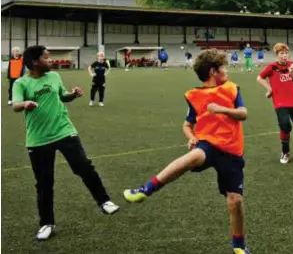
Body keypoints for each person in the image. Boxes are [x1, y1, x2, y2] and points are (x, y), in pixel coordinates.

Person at [123, 49, 251, 253]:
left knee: (235, 201)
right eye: (224, 67)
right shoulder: (194, 96)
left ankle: (239, 246)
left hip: (232, 151)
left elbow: (243, 113)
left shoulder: (232, 89)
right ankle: (146, 189)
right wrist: (192, 138)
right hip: (208, 144)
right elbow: (187, 124)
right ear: (213, 71)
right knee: (195, 155)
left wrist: (223, 110)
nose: (227, 70)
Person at [12, 45, 120, 241]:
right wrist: (25, 104)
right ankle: (47, 223)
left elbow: (62, 96)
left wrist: (73, 94)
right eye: (47, 58)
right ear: (35, 62)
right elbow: (16, 105)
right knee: (44, 183)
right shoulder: (21, 83)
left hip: (64, 131)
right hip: (38, 140)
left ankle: (104, 201)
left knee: (84, 167)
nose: (51, 61)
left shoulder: (54, 77)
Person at [257, 43, 293, 164]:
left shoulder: (292, 65)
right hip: (280, 102)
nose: (284, 56)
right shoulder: (271, 67)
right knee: (285, 126)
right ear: (277, 55)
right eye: (281, 53)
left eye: (286, 53)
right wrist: (270, 89)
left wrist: (291, 72)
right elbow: (259, 78)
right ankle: (285, 152)